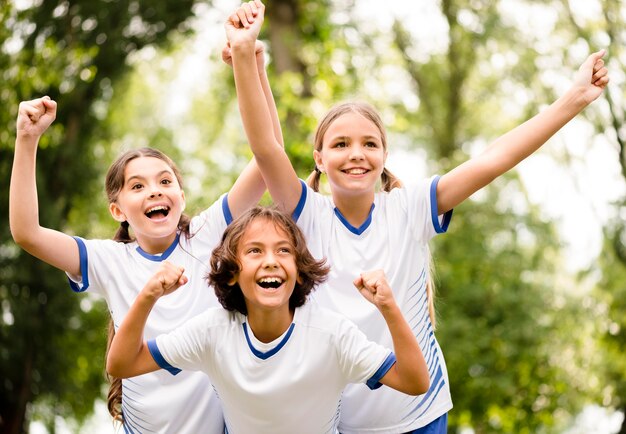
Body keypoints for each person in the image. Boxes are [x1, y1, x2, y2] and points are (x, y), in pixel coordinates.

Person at [227, 2, 610, 432]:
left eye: (369, 144)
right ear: (319, 157)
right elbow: (264, 147)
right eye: (340, 145)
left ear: (384, 155)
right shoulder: (306, 215)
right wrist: (245, 54)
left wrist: (573, 99)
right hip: (340, 421)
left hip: (420, 416)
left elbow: (494, 159)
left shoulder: (410, 209)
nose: (356, 154)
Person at [8, 3, 278, 430]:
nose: (154, 190)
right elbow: (26, 232)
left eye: (164, 181)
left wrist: (254, 65)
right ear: (118, 209)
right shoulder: (109, 262)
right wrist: (27, 139)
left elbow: (269, 160)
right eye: (137, 186)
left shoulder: (206, 235)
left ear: (181, 195)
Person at [106, 206, 430, 434]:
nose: (271, 261)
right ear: (232, 274)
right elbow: (122, 364)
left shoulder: (332, 334)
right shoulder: (212, 331)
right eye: (255, 251)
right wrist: (147, 296)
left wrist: (389, 307)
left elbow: (415, 382)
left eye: (284, 251)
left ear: (299, 270)